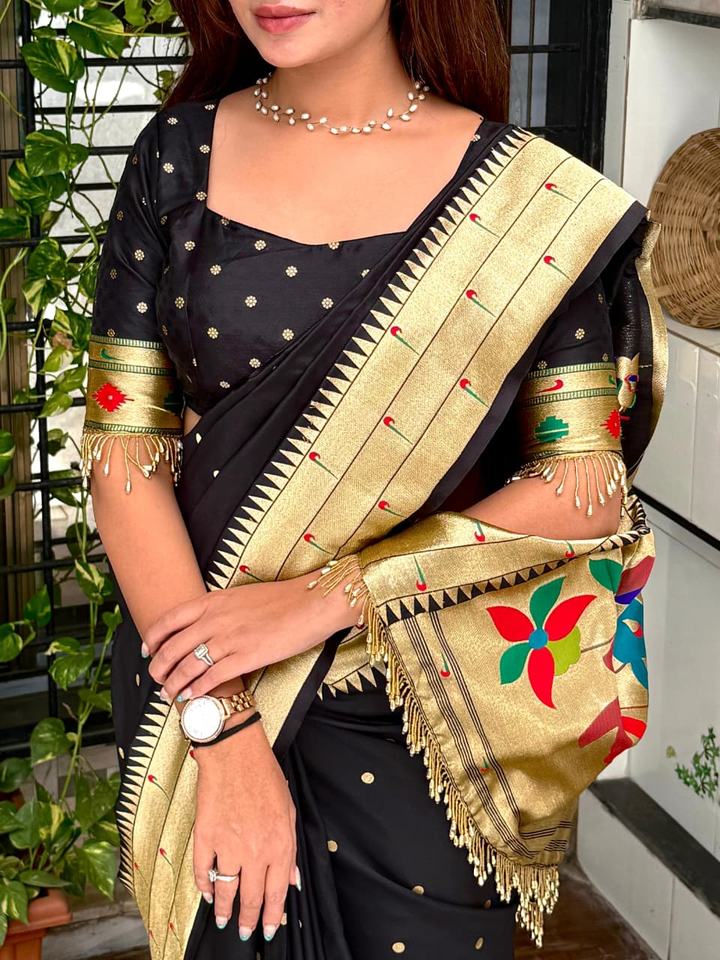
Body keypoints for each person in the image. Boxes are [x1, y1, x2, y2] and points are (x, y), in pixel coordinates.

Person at [80, 1, 667, 958]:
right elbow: (123, 462)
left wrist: (324, 600)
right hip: (200, 679)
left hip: (420, 709)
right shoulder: (177, 159)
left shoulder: (527, 202)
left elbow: (584, 486)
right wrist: (222, 730)